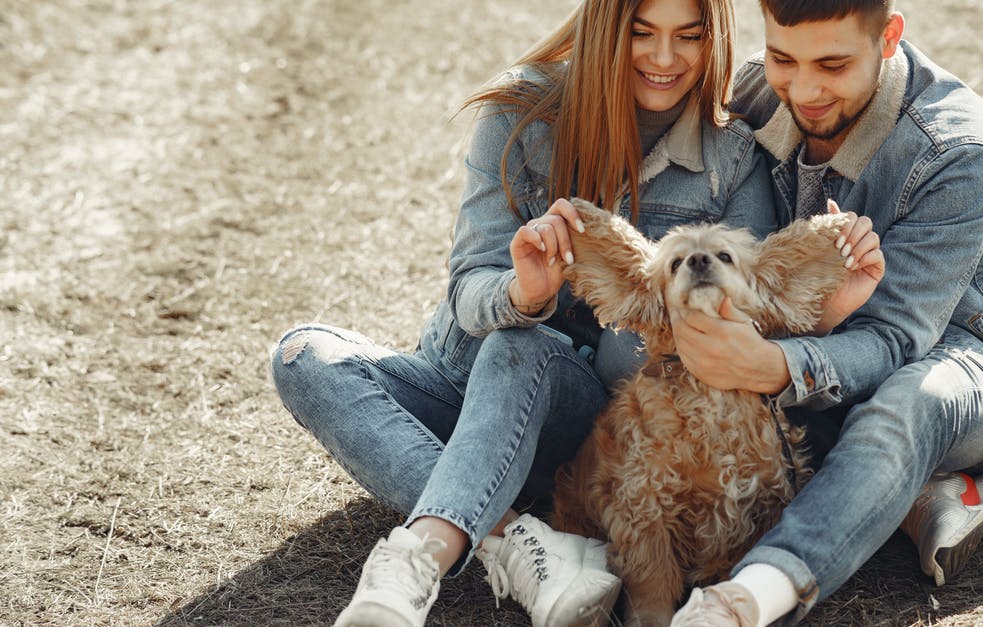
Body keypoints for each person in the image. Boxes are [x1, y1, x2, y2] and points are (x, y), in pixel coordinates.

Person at [269, 1, 879, 626]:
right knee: (303, 355)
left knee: (522, 347)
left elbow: (739, 313)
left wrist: (827, 296)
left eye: (688, 37)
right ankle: (521, 544)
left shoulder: (731, 154)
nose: (664, 59)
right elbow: (468, 286)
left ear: (713, 40)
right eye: (641, 33)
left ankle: (420, 559)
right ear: (603, 29)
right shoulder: (519, 113)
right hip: (461, 389)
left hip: (586, 426)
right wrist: (525, 293)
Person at [667, 2, 983, 625]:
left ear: (889, 37)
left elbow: (898, 336)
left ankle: (747, 600)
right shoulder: (755, 93)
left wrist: (775, 366)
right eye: (782, 58)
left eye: (833, 64)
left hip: (959, 357)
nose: (804, 88)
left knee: (906, 405)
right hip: (816, 338)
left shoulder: (961, 148)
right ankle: (910, 494)